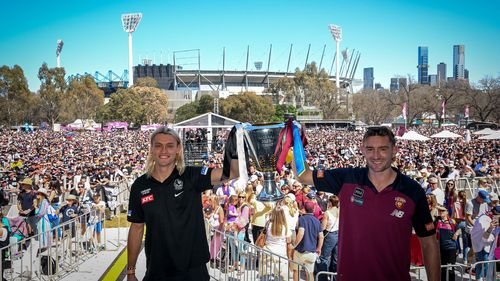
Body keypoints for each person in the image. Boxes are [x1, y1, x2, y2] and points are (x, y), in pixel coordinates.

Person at [294, 126, 440, 281]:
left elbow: (429, 243)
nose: (376, 155)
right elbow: (303, 175)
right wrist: (295, 139)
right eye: (370, 149)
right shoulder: (346, 178)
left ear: (394, 150)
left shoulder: (412, 190)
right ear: (362, 149)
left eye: (383, 149)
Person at [127, 126, 239, 281]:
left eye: (170, 145)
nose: (164, 150)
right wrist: (131, 271)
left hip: (193, 270)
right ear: (151, 149)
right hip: (157, 270)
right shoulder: (140, 185)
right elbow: (136, 228)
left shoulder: (191, 175)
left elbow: (232, 172)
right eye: (158, 145)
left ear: (178, 149)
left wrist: (236, 142)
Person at [290, 201, 323, 281]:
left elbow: (301, 233)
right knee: (310, 273)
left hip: (300, 251)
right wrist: (319, 248)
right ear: (314, 209)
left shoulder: (302, 219)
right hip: (311, 251)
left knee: (296, 271)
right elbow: (321, 237)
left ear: (304, 209)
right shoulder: (317, 221)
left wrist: (294, 245)